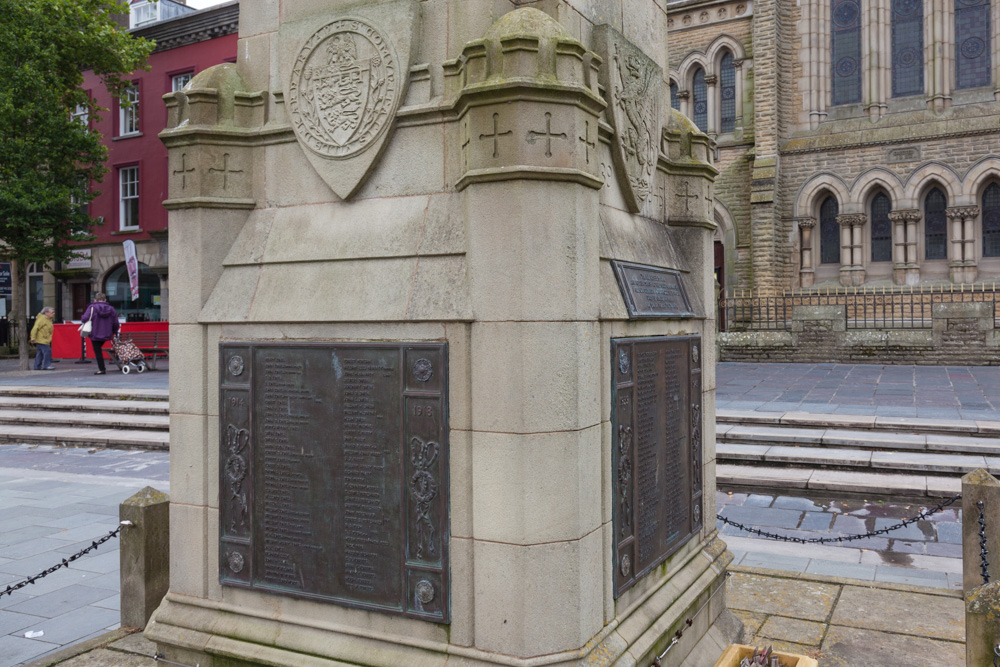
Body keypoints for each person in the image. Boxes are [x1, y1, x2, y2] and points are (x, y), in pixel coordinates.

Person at [81, 292, 120, 375]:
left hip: (95, 333)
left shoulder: (92, 307)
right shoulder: (111, 309)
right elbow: (116, 323)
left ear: (95, 300)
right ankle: (103, 368)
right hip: (107, 333)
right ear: (105, 300)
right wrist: (114, 331)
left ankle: (102, 369)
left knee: (97, 350)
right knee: (99, 348)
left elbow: (84, 318)